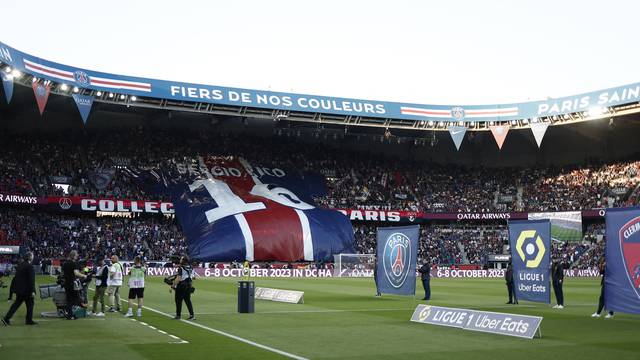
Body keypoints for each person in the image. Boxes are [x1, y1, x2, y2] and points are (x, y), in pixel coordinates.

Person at [2, 252, 37, 326]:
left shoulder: (20, 265)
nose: (33, 257)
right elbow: (31, 280)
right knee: (30, 304)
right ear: (30, 257)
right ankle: (29, 320)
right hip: (26, 290)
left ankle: (6, 318)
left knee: (16, 304)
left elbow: (16, 278)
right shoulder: (29, 266)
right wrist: (33, 290)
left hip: (19, 289)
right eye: (32, 256)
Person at [62, 250, 88, 320]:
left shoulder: (65, 263)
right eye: (76, 255)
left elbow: (63, 273)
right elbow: (76, 273)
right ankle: (79, 308)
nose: (77, 256)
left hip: (66, 283)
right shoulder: (74, 264)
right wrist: (83, 275)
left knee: (69, 300)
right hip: (72, 284)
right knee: (74, 299)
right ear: (73, 256)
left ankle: (70, 314)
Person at [172, 256, 195, 320]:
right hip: (188, 285)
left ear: (183, 261)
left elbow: (178, 278)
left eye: (181, 259)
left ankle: (178, 315)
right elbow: (193, 277)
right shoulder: (190, 267)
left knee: (178, 301)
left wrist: (173, 286)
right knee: (188, 301)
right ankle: (192, 315)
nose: (180, 259)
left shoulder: (181, 268)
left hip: (181, 286)